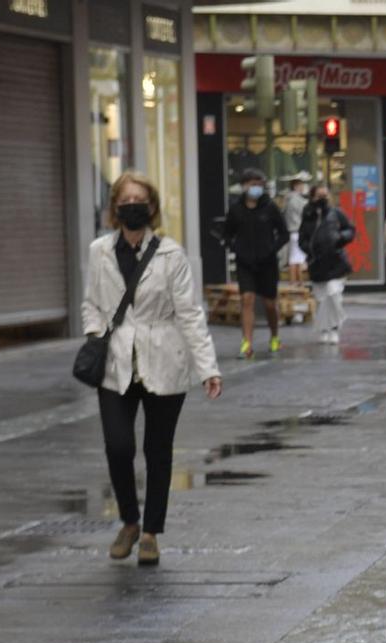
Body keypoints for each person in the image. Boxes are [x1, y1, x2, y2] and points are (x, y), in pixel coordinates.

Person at [81, 171, 222, 568]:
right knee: (118, 445)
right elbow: (91, 302)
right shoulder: (99, 252)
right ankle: (128, 518)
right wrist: (95, 332)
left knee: (158, 451)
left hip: (165, 359)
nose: (132, 204)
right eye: (125, 198)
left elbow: (190, 314)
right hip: (115, 361)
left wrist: (208, 368)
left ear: (152, 206)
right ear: (115, 207)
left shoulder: (171, 255)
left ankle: (150, 534)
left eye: (139, 198)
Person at [221, 167, 289, 359]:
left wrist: (271, 249)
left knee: (269, 304)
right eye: (253, 184)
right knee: (247, 300)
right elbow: (227, 233)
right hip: (245, 262)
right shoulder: (236, 209)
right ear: (244, 186)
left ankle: (275, 336)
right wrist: (234, 248)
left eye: (260, 185)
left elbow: (283, 233)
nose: (256, 188)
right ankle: (247, 343)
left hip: (267, 262)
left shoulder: (270, 207)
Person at [301, 183, 355, 345]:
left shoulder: (336, 213)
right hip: (317, 263)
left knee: (333, 294)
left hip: (336, 262)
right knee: (322, 299)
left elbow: (350, 230)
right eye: (319, 196)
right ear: (312, 197)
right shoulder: (308, 216)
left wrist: (340, 238)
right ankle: (325, 329)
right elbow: (302, 238)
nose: (323, 199)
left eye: (326, 195)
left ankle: (334, 327)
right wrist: (309, 250)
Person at [282, 172, 311, 283]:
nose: (303, 187)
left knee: (295, 259)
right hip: (297, 231)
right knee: (296, 260)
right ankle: (296, 284)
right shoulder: (296, 200)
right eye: (301, 185)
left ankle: (297, 283)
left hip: (292, 231)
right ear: (295, 186)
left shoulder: (288, 199)